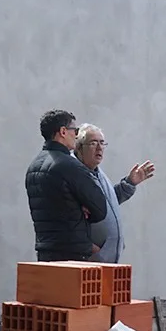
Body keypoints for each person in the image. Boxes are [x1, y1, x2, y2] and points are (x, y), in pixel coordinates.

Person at [26, 110, 108, 262]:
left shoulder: (34, 166)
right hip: (72, 254)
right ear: (63, 131)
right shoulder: (70, 166)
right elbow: (100, 208)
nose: (76, 135)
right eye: (74, 130)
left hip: (45, 252)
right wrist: (82, 208)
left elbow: (55, 205)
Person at [74, 123, 155, 263]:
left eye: (102, 143)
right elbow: (68, 218)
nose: (99, 148)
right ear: (79, 147)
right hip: (90, 260)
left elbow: (107, 203)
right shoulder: (75, 175)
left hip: (107, 259)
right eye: (93, 143)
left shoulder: (98, 173)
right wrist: (91, 248)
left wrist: (130, 183)